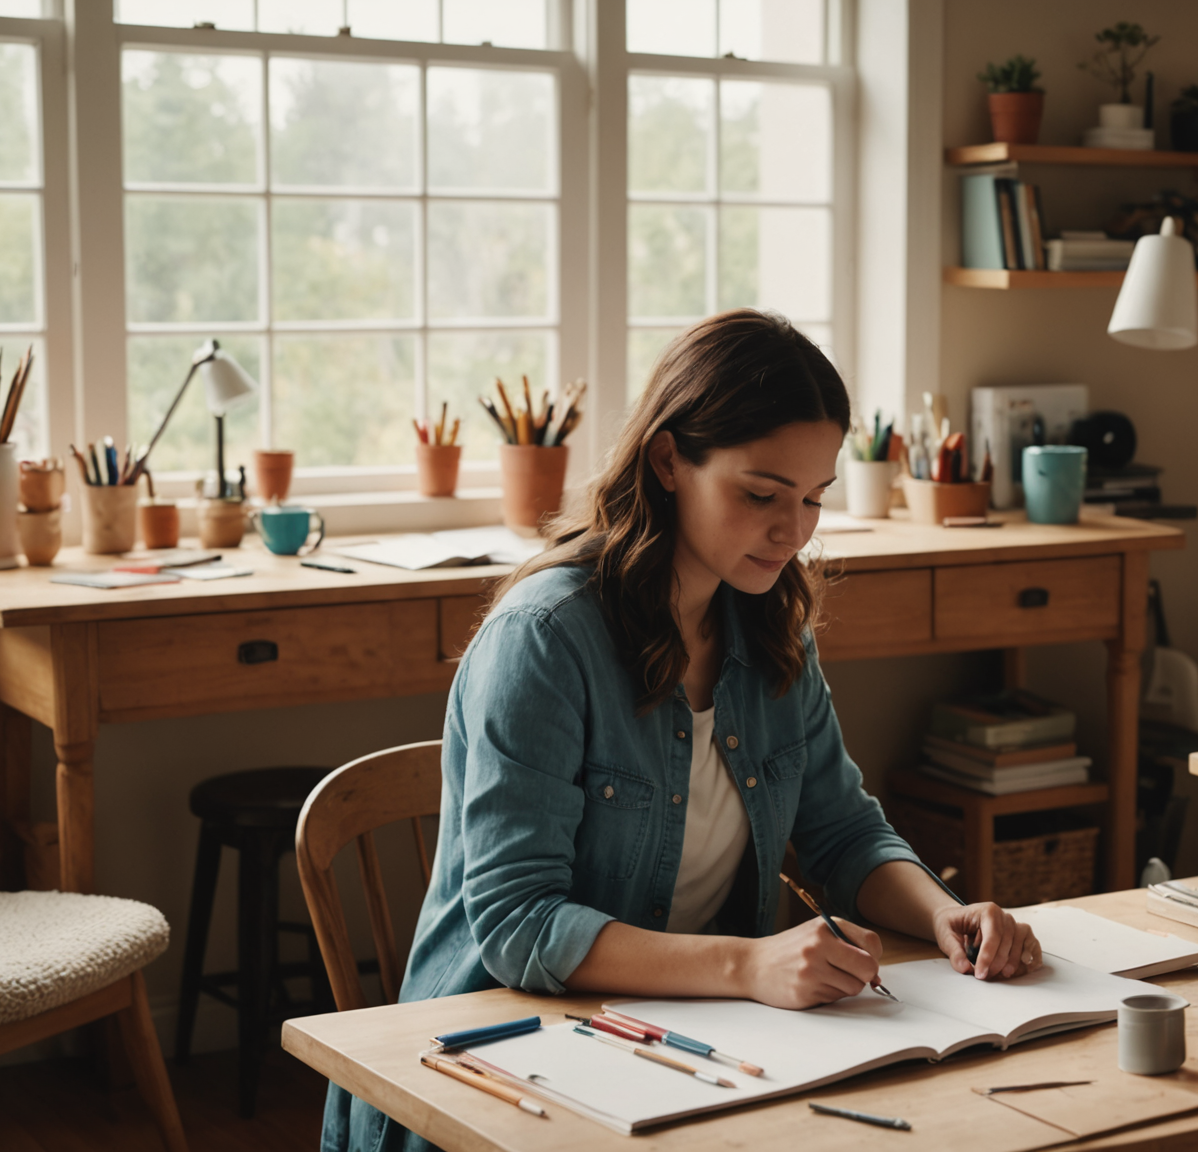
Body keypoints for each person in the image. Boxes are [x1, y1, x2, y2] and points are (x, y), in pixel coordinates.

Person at [323, 309, 1041, 1151]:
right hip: (495, 1066)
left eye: (814, 498)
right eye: (761, 494)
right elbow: (520, 925)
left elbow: (840, 829)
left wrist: (943, 911)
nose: (794, 530)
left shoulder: (772, 629)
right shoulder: (545, 639)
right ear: (669, 459)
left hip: (697, 1049)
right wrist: (749, 965)